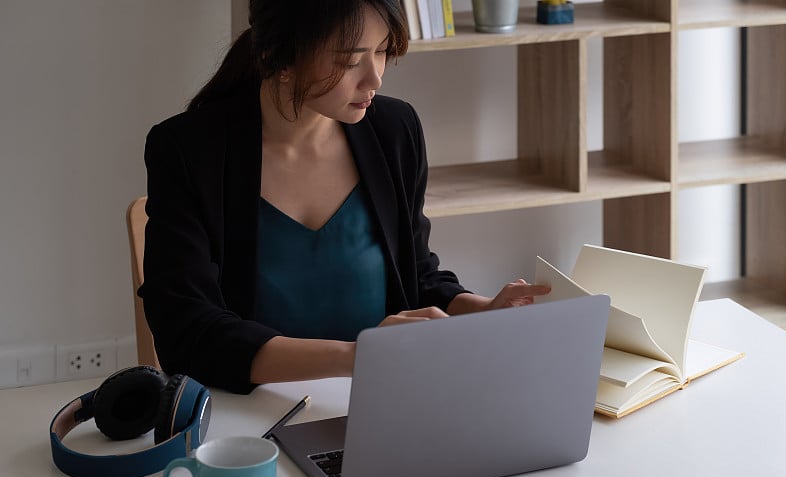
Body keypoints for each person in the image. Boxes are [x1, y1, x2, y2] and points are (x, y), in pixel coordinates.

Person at [141, 0, 550, 394]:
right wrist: (357, 356)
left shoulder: (393, 129)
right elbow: (188, 331)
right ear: (279, 57)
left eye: (383, 51)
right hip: (251, 416)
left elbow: (415, 272)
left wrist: (477, 310)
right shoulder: (190, 150)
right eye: (350, 60)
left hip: (385, 396)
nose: (375, 78)